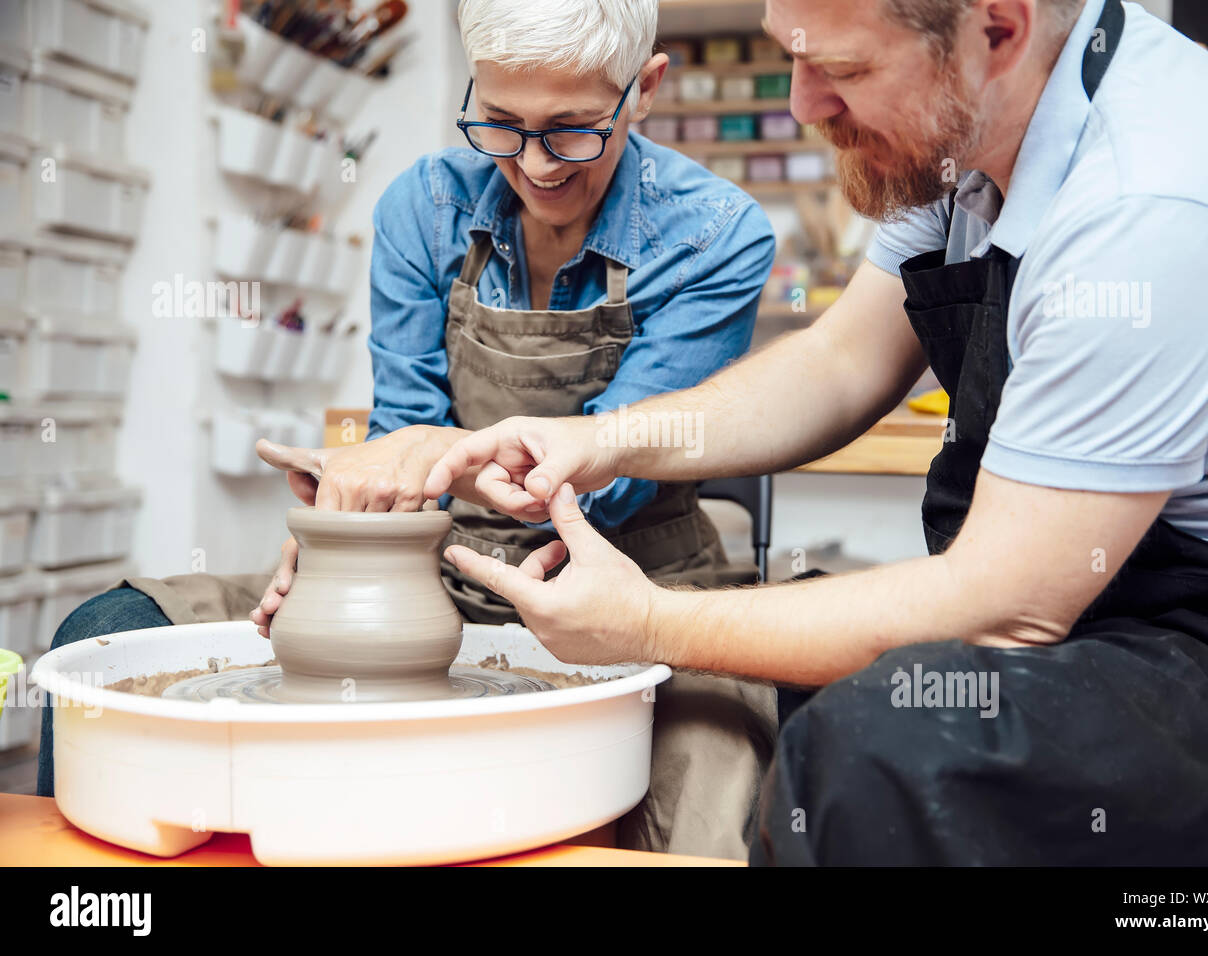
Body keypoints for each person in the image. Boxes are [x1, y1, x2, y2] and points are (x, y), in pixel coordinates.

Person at [418, 0, 1208, 865]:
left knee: (877, 747)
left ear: (998, 30)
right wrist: (604, 440)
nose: (805, 104)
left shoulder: (1150, 203)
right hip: (1085, 599)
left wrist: (648, 620)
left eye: (841, 69)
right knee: (786, 696)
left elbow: (1005, 607)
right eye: (794, 58)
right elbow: (840, 364)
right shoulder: (966, 137)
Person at [40, 0, 777, 861]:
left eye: (572, 129)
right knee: (100, 630)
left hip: (634, 582)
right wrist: (346, 520)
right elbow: (403, 433)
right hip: (431, 569)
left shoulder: (717, 234)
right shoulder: (423, 207)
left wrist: (428, 459)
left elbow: (614, 475)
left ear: (642, 89)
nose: (534, 164)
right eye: (501, 124)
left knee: (700, 813)